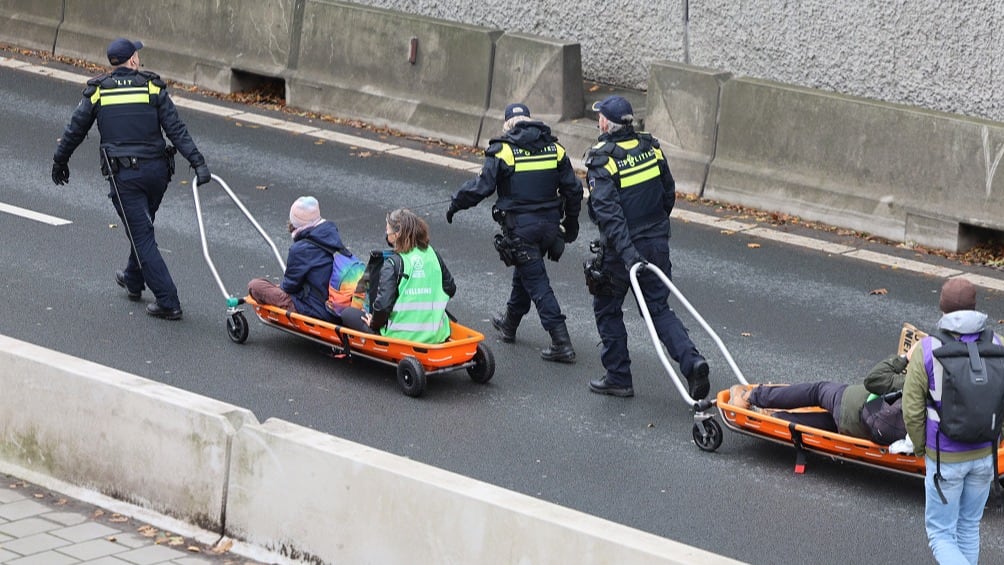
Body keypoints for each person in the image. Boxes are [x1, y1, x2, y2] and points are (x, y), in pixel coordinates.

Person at [51, 38, 211, 321]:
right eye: (137, 54)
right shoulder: (151, 87)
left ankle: (168, 301)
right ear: (133, 60)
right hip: (158, 175)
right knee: (142, 228)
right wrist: (197, 162)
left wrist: (60, 160)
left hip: (125, 177)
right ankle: (133, 279)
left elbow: (75, 129)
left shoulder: (99, 92)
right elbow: (176, 129)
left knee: (142, 235)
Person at [584, 95, 708, 399]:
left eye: (600, 116)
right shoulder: (650, 149)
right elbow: (668, 192)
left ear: (605, 123)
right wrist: (655, 230)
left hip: (622, 253)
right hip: (656, 244)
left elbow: (610, 217)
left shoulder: (603, 159)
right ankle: (693, 362)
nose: (598, 120)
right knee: (657, 309)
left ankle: (618, 376)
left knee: (607, 307)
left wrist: (628, 255)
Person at [446, 102, 582, 363]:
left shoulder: (503, 151)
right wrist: (571, 225)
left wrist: (455, 203)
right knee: (526, 273)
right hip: (550, 228)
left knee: (538, 284)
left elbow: (481, 187)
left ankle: (561, 342)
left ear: (507, 125)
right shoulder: (555, 148)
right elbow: (573, 190)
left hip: (521, 229)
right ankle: (509, 324)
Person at [903, 278, 1002, 565]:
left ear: (942, 307)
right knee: (969, 527)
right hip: (985, 456)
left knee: (941, 534)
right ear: (975, 306)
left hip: (945, 457)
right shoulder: (997, 344)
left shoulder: (927, 349)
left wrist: (923, 449)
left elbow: (911, 411)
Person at [729, 352, 909, 444]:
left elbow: (874, 379)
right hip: (859, 429)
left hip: (849, 403)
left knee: (817, 390)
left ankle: (749, 396)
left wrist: (905, 358)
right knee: (830, 421)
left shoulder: (920, 384)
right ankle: (775, 418)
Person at [340, 208, 456, 344]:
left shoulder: (394, 262)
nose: (386, 233)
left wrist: (373, 324)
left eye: (388, 230)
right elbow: (450, 288)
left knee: (348, 313)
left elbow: (383, 306)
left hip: (401, 337)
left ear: (397, 234)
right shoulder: (433, 254)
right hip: (436, 334)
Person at [247, 196, 347, 322]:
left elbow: (289, 286)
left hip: (317, 310)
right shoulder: (331, 235)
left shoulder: (301, 249)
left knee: (255, 286)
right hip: (340, 304)